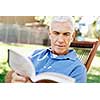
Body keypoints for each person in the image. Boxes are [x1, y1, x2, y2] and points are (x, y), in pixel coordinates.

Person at [6, 16, 87, 83]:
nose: (60, 40)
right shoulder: (35, 54)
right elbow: (10, 78)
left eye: (66, 34)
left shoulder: (78, 69)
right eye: (56, 33)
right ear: (50, 34)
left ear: (72, 37)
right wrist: (13, 77)